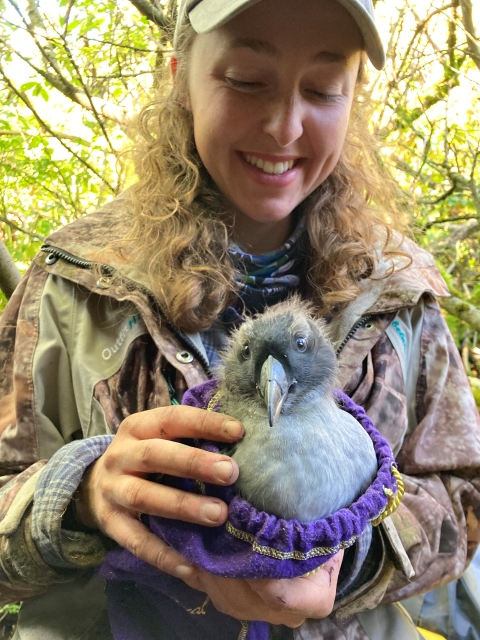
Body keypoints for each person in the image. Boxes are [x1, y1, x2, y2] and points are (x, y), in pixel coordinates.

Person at [0, 0, 479, 638]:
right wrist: (80, 496)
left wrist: (347, 552)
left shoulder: (400, 294)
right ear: (180, 78)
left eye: (322, 88)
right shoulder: (76, 288)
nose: (284, 126)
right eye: (247, 80)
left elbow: (462, 504)